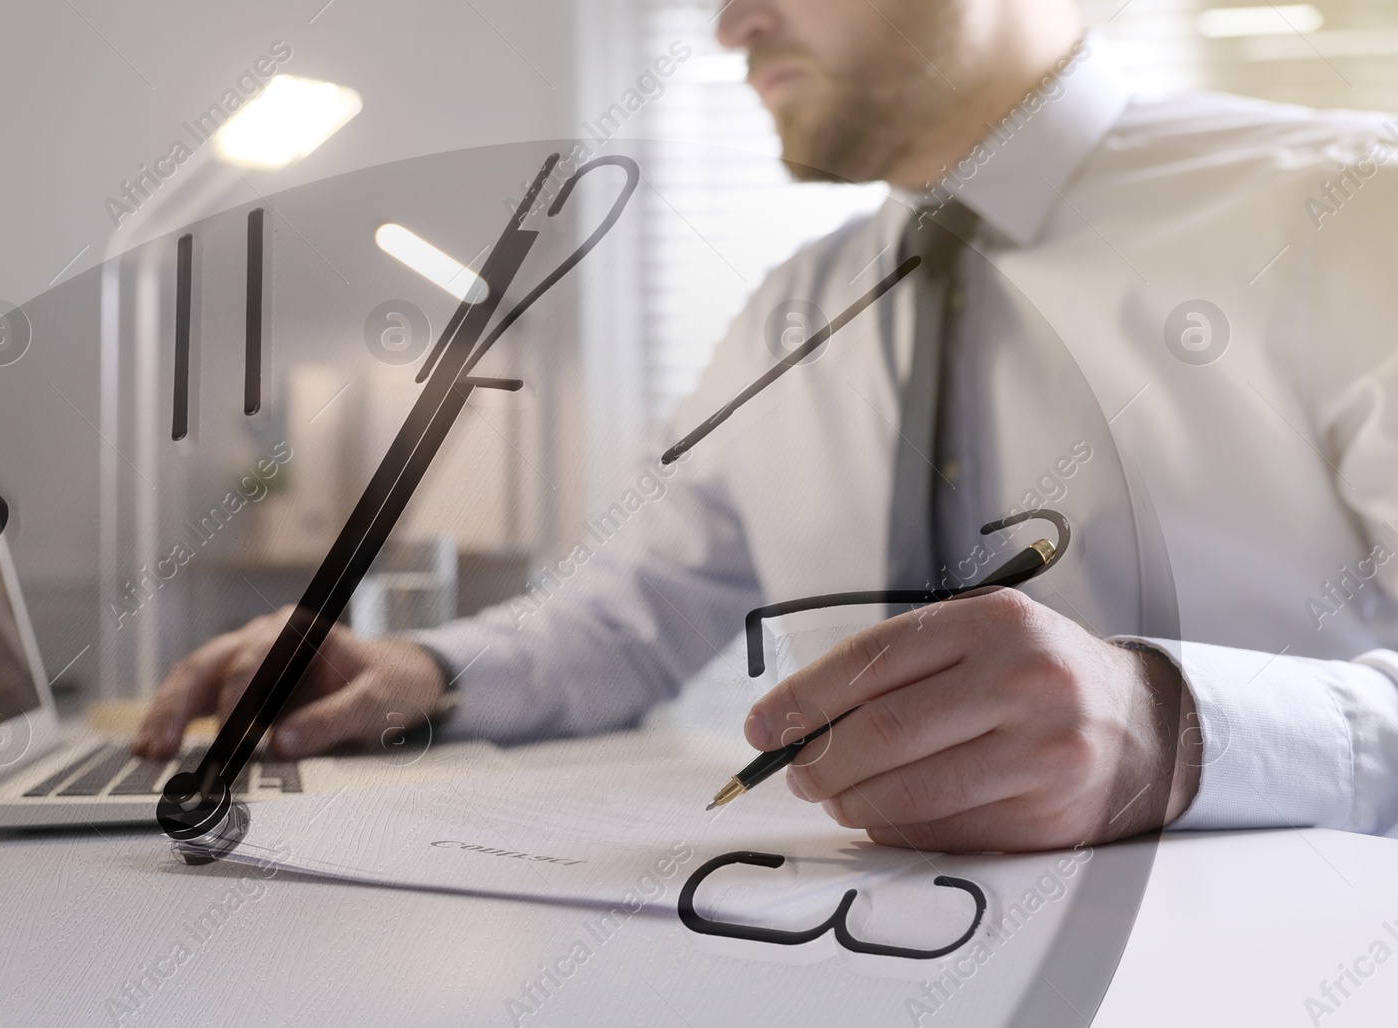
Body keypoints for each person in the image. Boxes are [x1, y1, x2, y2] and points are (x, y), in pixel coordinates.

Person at [134, 0, 1398, 852]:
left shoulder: (1354, 210)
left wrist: (1174, 730)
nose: (728, 19)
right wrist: (420, 674)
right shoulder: (791, 310)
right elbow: (625, 621)